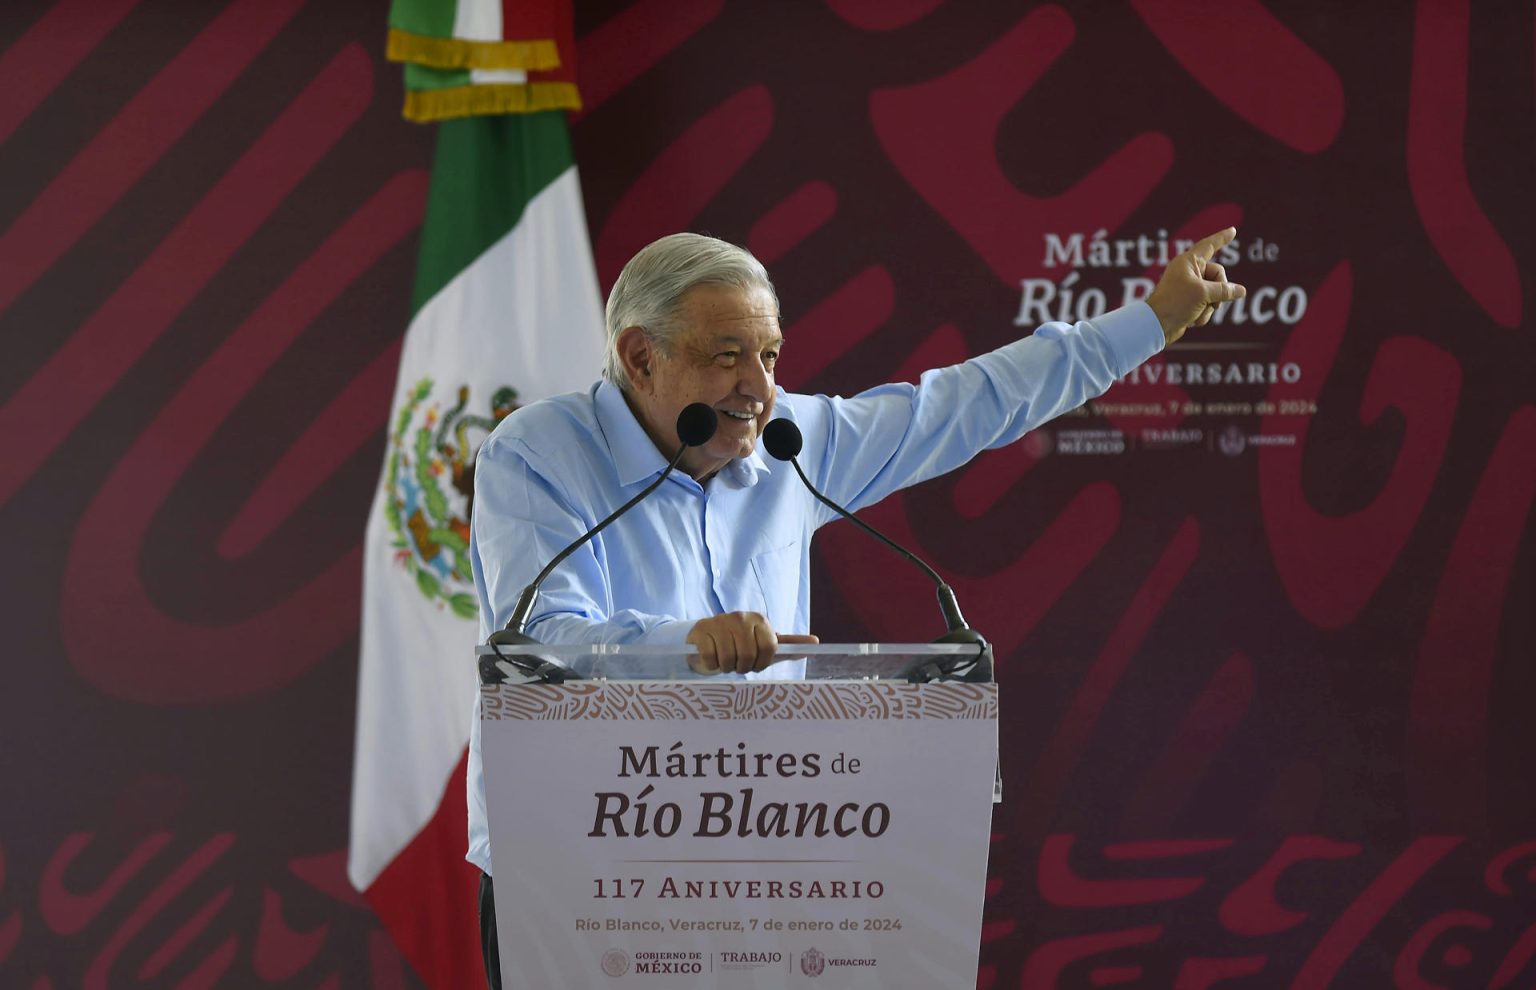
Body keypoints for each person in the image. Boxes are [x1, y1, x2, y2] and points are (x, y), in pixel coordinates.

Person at [466, 229, 1245, 986]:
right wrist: (690, 644)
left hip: (748, 859)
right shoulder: (538, 453)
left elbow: (965, 404)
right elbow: (542, 644)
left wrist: (1149, 323)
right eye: (727, 355)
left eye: (769, 356)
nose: (758, 387)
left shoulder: (787, 446)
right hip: (581, 866)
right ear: (641, 356)